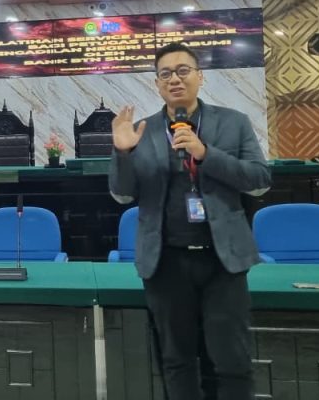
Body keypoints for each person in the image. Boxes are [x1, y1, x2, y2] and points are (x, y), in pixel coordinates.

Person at [108, 42, 270, 400]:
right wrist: (122, 153)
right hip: (165, 262)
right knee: (176, 360)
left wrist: (205, 153)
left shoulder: (233, 122)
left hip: (222, 262)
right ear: (157, 84)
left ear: (200, 77)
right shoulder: (143, 130)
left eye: (183, 71)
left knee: (231, 360)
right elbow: (122, 195)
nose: (175, 79)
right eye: (165, 74)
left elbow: (260, 181)